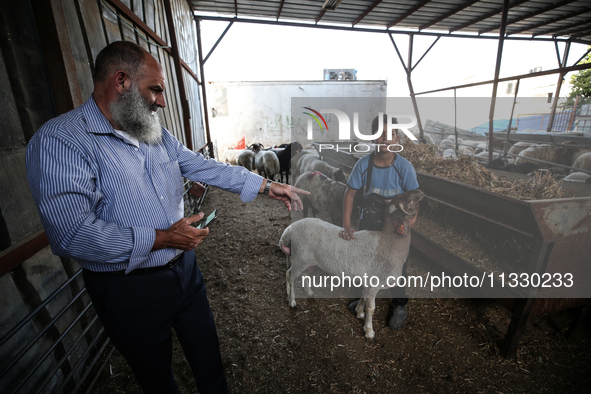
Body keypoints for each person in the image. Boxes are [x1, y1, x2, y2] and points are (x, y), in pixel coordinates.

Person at [26, 41, 308, 394]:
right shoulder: (61, 142)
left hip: (184, 272)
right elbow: (71, 234)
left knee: (208, 357)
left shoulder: (152, 132)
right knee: (156, 378)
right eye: (155, 89)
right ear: (121, 81)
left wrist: (267, 185)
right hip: (127, 288)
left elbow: (202, 166)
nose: (162, 101)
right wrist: (162, 238)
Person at [339, 114, 419, 331]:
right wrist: (347, 225)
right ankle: (365, 299)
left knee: (397, 267)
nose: (384, 139)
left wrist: (408, 225)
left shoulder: (404, 167)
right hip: (370, 223)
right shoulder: (363, 165)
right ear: (372, 139)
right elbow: (350, 194)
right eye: (379, 135)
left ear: (397, 139)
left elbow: (413, 201)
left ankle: (400, 304)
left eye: (389, 134)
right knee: (366, 263)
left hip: (395, 229)